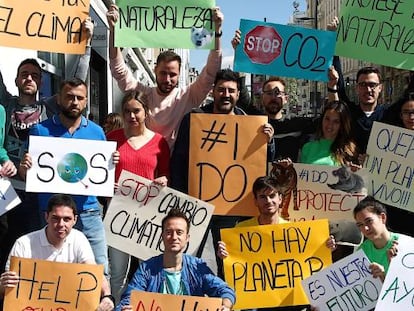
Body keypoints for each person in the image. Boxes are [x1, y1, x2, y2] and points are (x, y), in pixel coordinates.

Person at [0, 18, 94, 272]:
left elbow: (76, 79)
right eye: (24, 75)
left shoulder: (49, 107)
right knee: (7, 248)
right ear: (16, 80)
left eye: (34, 75)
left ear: (41, 82)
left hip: (38, 193)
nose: (29, 78)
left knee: (36, 251)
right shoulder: (5, 105)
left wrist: (86, 44)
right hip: (8, 190)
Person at [170, 69, 274, 278]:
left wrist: (269, 142)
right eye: (221, 90)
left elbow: (263, 164)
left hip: (231, 210)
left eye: (231, 91)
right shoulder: (194, 119)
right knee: (185, 261)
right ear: (213, 92)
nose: (226, 95)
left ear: (237, 95)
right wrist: (181, 200)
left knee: (228, 264)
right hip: (196, 207)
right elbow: (179, 162)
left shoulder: (251, 124)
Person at [18, 78, 119, 276]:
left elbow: (101, 173)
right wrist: (24, 167)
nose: (74, 102)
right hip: (51, 214)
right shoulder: (40, 130)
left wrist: (111, 161)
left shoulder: (97, 132)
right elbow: (25, 174)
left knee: (99, 269)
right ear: (59, 100)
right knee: (51, 270)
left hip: (88, 211)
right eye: (69, 97)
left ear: (86, 101)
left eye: (79, 98)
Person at [107, 4, 223, 150]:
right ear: (155, 70)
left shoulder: (188, 96)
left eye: (172, 74)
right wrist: (113, 31)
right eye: (163, 73)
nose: (167, 79)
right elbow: (119, 70)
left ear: (179, 73)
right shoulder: (144, 95)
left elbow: (211, 72)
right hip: (147, 165)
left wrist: (217, 32)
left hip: (178, 167)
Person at [217, 176, 335, 311]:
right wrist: (224, 256)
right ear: (255, 201)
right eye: (262, 197)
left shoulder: (294, 231)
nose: (268, 201)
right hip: (256, 301)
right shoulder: (241, 230)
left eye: (272, 196)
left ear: (280, 198)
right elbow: (235, 269)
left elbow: (308, 263)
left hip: (289, 301)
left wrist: (324, 248)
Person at [107, 91, 170, 303]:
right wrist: (109, 183)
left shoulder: (160, 142)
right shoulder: (111, 139)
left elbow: (165, 175)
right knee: (117, 272)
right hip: (118, 214)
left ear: (146, 112)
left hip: (148, 216)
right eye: (127, 111)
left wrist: (163, 181)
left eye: (136, 111)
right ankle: (118, 306)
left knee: (149, 271)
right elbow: (99, 175)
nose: (132, 116)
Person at [0, 194, 114, 310]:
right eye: (55, 218)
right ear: (46, 217)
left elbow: (93, 272)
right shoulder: (23, 244)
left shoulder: (79, 239)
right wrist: (3, 286)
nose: (61, 224)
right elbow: (7, 291)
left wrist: (107, 296)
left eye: (67, 219)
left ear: (75, 220)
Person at [116, 209, 236, 311]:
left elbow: (225, 291)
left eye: (179, 232)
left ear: (187, 237)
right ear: (162, 236)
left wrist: (225, 306)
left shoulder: (198, 267)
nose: (174, 237)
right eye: (169, 232)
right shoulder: (147, 268)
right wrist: (125, 308)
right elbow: (129, 298)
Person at [230, 30, 316, 162]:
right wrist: (239, 52)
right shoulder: (255, 120)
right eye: (269, 93)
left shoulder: (297, 124)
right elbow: (241, 93)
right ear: (262, 97)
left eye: (277, 93)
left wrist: (332, 86)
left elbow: (333, 118)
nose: (273, 97)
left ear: (286, 98)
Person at [353, 196, 401, 282]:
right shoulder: (362, 251)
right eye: (360, 225)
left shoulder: (404, 244)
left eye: (369, 221)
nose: (366, 228)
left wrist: (387, 273)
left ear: (382, 218)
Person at [299, 100, 358, 166]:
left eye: (336, 121)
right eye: (327, 119)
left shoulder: (349, 151)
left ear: (341, 125)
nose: (330, 125)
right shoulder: (307, 148)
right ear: (322, 119)